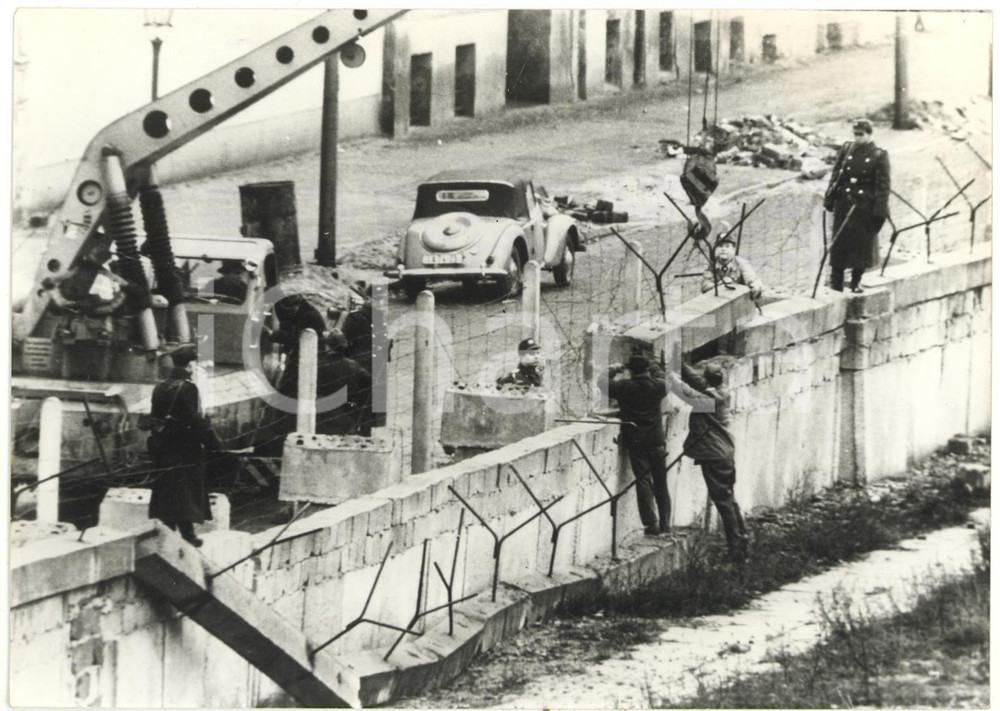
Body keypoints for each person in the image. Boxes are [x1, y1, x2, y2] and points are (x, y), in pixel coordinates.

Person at [668, 359, 749, 560]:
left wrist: (669, 376)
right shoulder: (720, 390)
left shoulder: (711, 400)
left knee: (722, 501)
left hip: (715, 454)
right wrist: (677, 361)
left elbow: (687, 393)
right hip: (723, 452)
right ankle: (742, 537)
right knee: (728, 498)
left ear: (709, 379)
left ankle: (736, 548)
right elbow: (697, 381)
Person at [146, 347, 221, 547]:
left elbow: (155, 417)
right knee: (185, 492)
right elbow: (195, 421)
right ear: (190, 365)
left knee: (168, 491)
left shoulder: (160, 386)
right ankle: (186, 535)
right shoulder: (188, 388)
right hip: (186, 450)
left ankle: (174, 532)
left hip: (164, 448)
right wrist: (213, 441)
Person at [597, 352, 670, 537]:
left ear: (630, 371)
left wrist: (613, 368)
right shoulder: (658, 386)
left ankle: (651, 524)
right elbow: (663, 376)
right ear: (646, 369)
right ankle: (666, 524)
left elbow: (602, 382)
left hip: (636, 440)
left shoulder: (624, 387)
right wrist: (654, 365)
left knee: (643, 481)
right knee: (661, 482)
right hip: (656, 440)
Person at [823, 118, 891, 293]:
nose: (857, 138)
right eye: (855, 134)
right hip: (844, 203)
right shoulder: (847, 149)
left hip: (864, 206)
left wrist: (879, 211)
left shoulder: (879, 154)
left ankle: (855, 281)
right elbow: (836, 174)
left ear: (869, 134)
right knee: (839, 243)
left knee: (861, 246)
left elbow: (883, 186)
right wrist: (830, 197)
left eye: (861, 134)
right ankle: (835, 282)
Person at [315, 330, 373, 436]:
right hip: (347, 412)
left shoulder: (318, 365)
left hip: (322, 415)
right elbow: (369, 383)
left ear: (328, 346)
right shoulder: (354, 366)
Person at [700, 225, 764, 299]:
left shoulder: (741, 263)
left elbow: (753, 280)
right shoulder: (712, 265)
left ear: (733, 249)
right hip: (719, 301)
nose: (723, 249)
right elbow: (704, 286)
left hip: (738, 302)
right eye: (720, 246)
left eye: (727, 246)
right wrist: (719, 285)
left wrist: (754, 287)